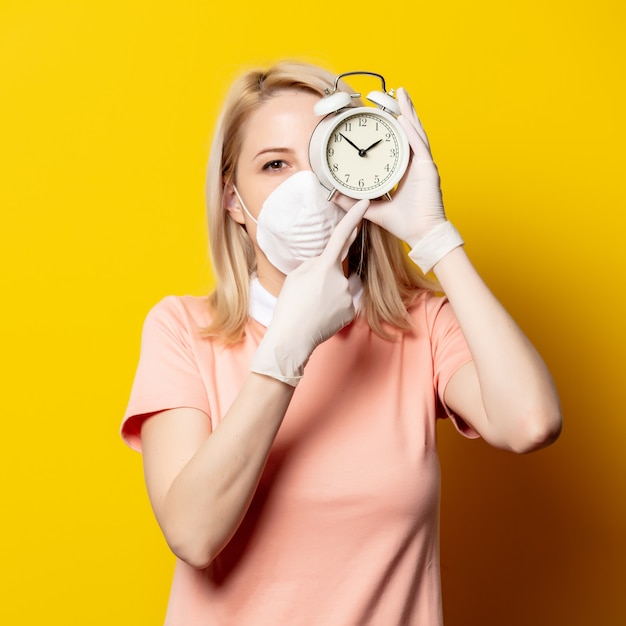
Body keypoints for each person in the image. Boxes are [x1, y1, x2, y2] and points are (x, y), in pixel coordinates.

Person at [121, 60, 562, 625]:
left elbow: (531, 422)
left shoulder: (418, 326)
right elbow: (193, 532)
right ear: (233, 199)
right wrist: (286, 351)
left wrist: (433, 236)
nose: (305, 188)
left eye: (324, 159)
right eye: (274, 164)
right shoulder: (182, 329)